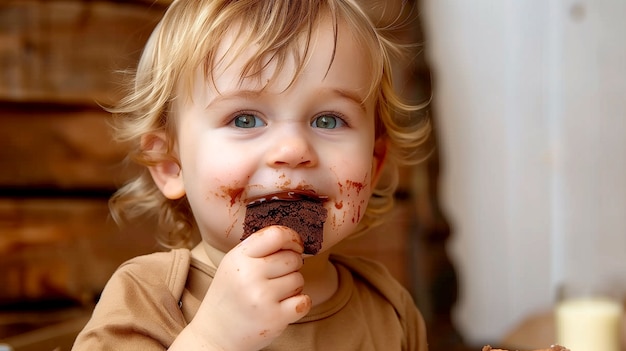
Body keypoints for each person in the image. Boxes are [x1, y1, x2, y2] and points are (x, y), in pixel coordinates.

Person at [72, 0, 430, 350]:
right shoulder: (145, 298)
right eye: (245, 119)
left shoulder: (390, 310)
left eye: (328, 120)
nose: (293, 150)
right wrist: (212, 340)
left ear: (374, 162)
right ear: (170, 164)